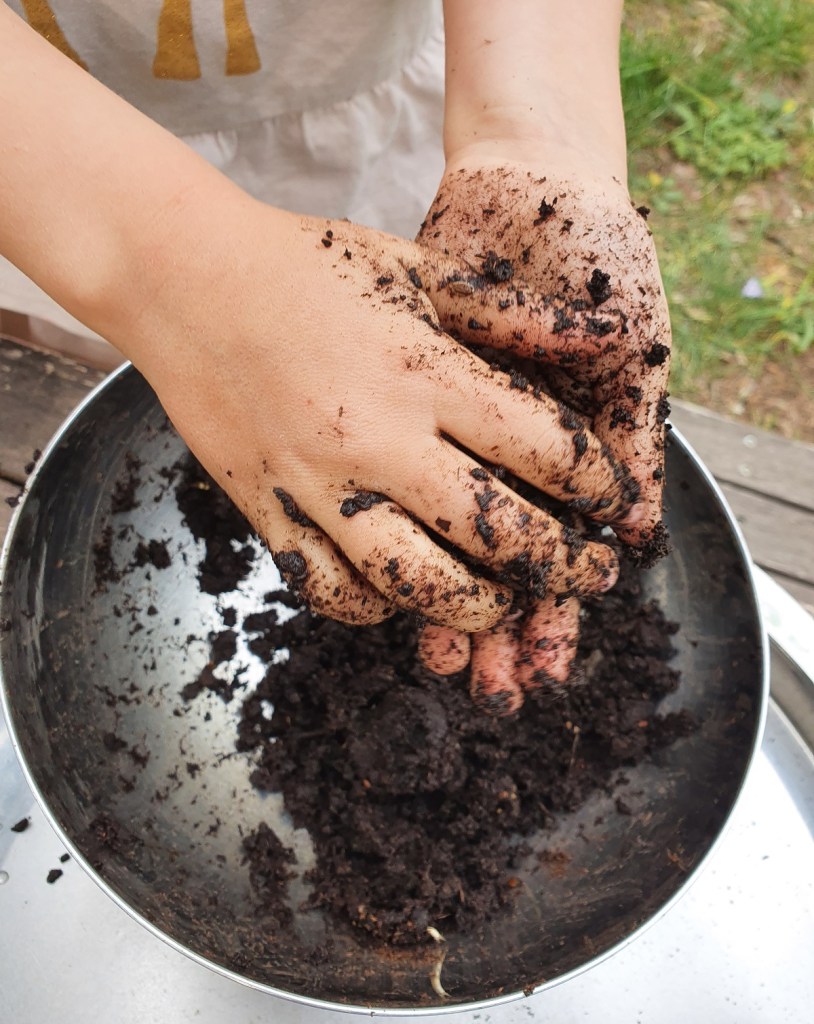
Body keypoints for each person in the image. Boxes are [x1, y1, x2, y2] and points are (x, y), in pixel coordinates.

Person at [0, 0, 671, 713]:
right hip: (53, 178)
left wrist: (531, 133)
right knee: (116, 365)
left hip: (384, 104)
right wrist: (174, 278)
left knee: (429, 350)